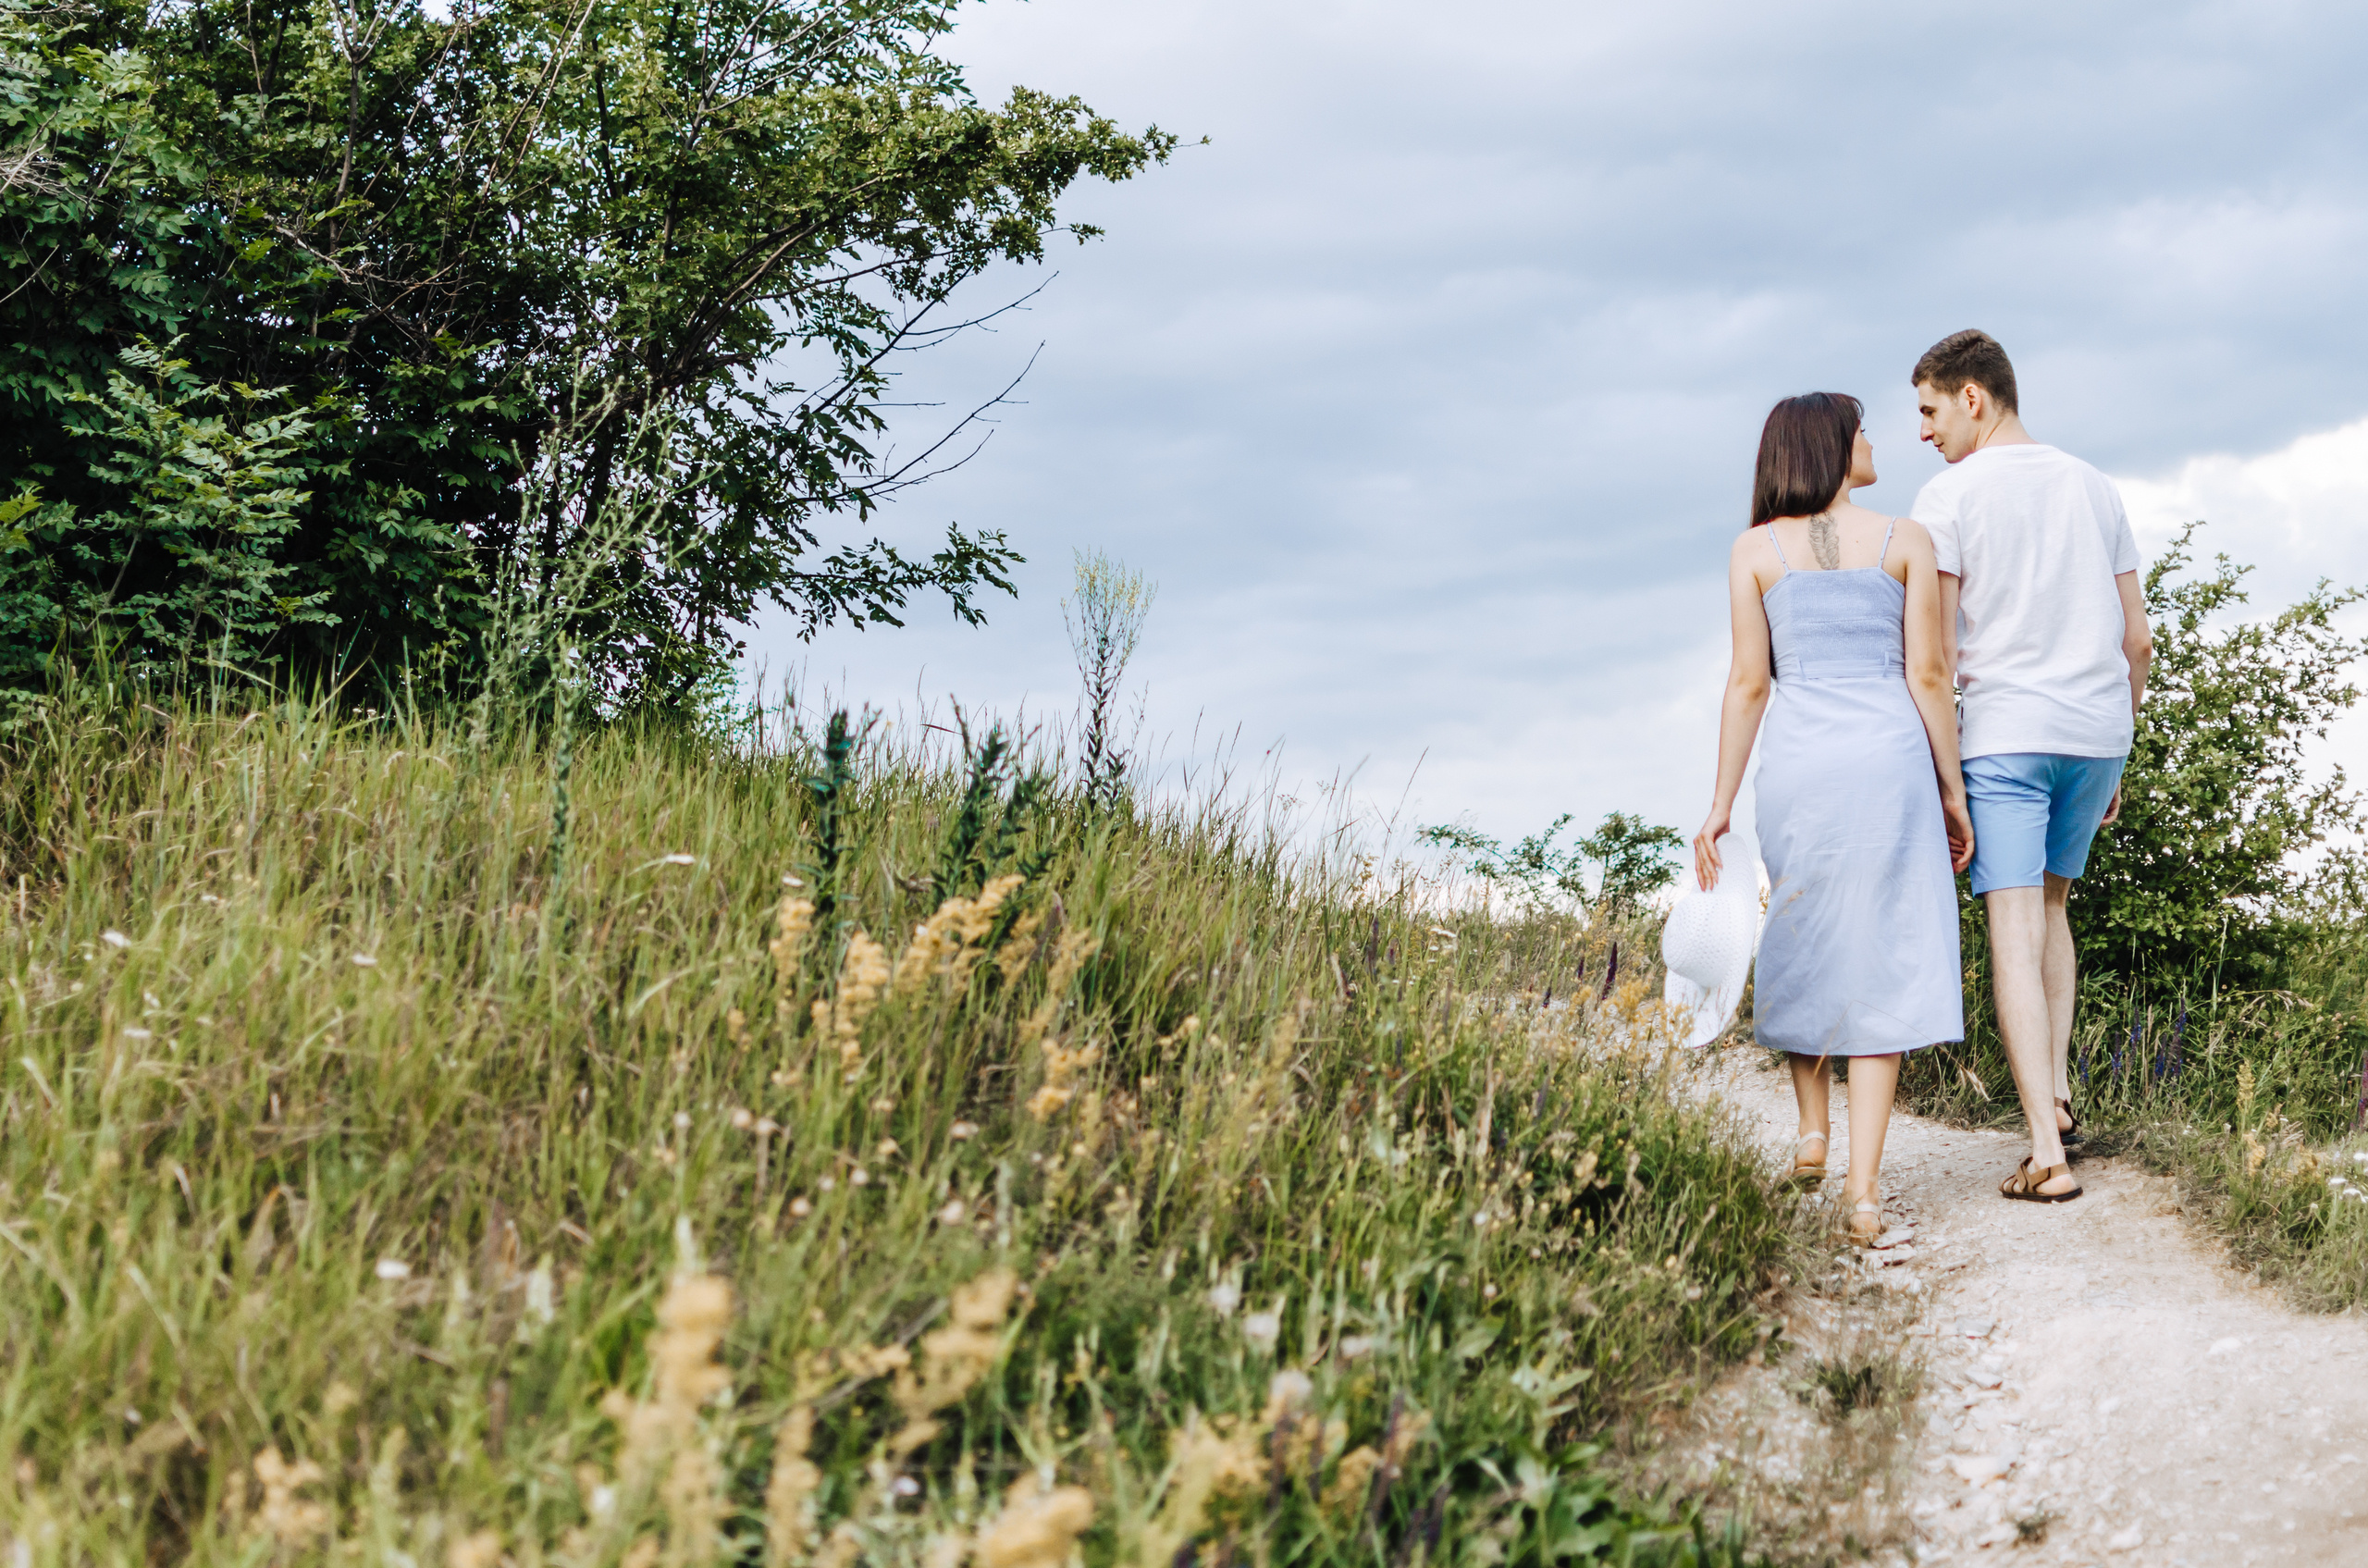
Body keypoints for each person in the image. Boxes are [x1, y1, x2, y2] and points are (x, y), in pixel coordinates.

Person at [1695, 392, 1974, 1244]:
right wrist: (1952, 789)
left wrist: (1717, 806)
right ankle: (1862, 1194)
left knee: (1805, 927)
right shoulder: (1906, 540)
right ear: (1830, 445)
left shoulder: (1754, 549)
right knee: (1881, 952)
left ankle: (1812, 1131)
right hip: (1888, 759)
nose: (1873, 438)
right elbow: (1928, 674)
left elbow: (1749, 683)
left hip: (1800, 765)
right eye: (1861, 428)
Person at [1909, 329, 2151, 1204]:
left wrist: (1946, 781)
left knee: (2013, 928)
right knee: (2053, 904)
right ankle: (2054, 1091)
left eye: (1931, 410)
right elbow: (2137, 637)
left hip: (2007, 734)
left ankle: (2045, 1150)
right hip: (2096, 731)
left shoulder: (1946, 497)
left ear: (1974, 396)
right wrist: (2115, 738)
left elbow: (1932, 657)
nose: (1924, 432)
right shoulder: (2094, 483)